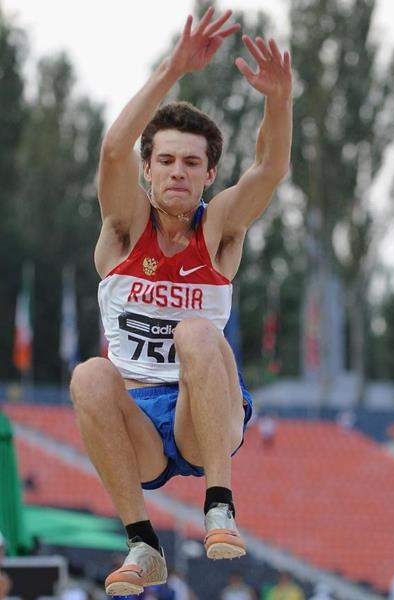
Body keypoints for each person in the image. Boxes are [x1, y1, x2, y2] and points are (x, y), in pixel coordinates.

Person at [70, 6, 292, 597]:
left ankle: (220, 503)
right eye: (165, 160)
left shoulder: (217, 229)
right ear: (147, 171)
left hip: (206, 411)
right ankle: (143, 545)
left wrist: (279, 99)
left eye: (191, 162)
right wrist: (173, 68)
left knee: (194, 331)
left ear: (209, 173)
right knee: (90, 375)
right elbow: (113, 149)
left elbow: (270, 168)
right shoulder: (122, 230)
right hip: (139, 419)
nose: (177, 171)